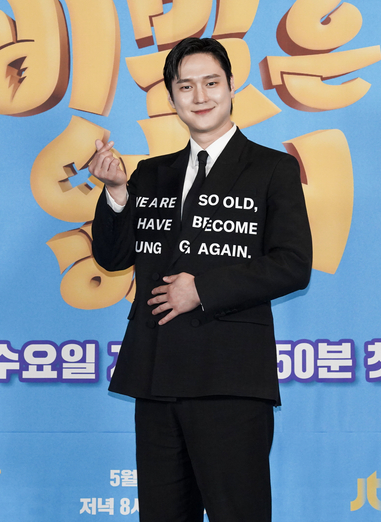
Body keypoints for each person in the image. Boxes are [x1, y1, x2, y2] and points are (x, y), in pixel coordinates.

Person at [89, 37, 312, 522]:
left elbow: (293, 263)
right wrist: (116, 194)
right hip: (156, 374)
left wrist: (203, 290)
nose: (200, 96)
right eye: (186, 86)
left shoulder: (272, 168)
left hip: (228, 377)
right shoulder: (151, 174)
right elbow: (112, 257)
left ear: (231, 86)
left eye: (211, 83)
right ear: (172, 98)